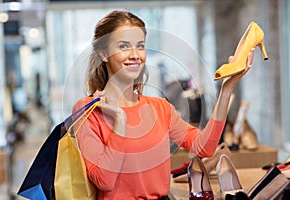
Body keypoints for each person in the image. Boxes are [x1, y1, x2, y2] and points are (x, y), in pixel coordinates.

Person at [72, 10, 254, 199]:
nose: (135, 55)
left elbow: (204, 148)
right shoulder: (87, 110)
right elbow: (105, 181)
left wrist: (226, 89)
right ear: (103, 53)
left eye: (140, 46)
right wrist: (119, 120)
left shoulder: (159, 107)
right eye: (124, 46)